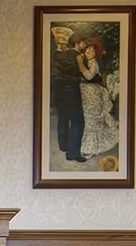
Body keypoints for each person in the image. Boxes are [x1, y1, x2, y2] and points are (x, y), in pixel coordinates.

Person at [76, 39, 119, 160]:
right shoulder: (86, 62)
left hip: (93, 96)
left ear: (96, 54)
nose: (89, 51)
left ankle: (92, 149)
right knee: (87, 120)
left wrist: (80, 64)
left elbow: (89, 76)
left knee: (92, 121)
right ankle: (87, 146)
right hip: (85, 95)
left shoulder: (94, 64)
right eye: (88, 49)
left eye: (92, 50)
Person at [50, 29, 87, 163]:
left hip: (60, 91)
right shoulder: (79, 56)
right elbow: (83, 74)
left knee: (63, 117)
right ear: (77, 44)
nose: (85, 45)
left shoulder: (58, 55)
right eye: (83, 43)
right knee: (77, 122)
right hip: (72, 90)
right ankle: (73, 154)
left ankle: (63, 145)